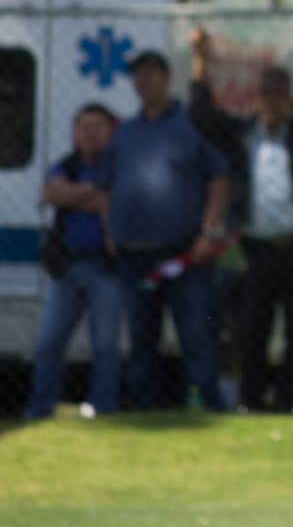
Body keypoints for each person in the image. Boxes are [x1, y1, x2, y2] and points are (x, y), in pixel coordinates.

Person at [187, 27, 293, 413]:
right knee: (252, 329)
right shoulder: (244, 135)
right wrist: (201, 61)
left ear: (290, 100)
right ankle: (251, 401)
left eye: (280, 96)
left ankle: (287, 401)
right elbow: (202, 115)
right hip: (257, 250)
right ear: (257, 99)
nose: (272, 103)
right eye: (266, 95)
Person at [104, 49, 230, 410]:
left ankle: (207, 406)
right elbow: (107, 187)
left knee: (196, 336)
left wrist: (208, 232)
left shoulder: (191, 125)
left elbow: (219, 180)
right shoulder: (125, 133)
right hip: (134, 256)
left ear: (166, 78)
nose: (144, 81)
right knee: (142, 340)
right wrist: (111, 231)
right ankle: (145, 411)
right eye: (138, 76)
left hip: (186, 254)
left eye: (151, 74)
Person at [25, 103, 122, 419]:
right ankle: (41, 408)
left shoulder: (120, 167)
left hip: (106, 269)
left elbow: (115, 202)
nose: (90, 133)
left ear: (111, 131)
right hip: (65, 269)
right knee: (49, 343)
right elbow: (50, 194)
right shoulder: (65, 165)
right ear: (74, 133)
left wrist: (73, 195)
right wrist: (93, 194)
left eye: (97, 126)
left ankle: (103, 407)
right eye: (83, 126)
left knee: (106, 346)